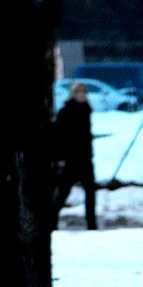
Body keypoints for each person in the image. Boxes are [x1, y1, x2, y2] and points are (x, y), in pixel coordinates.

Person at [51, 81, 97, 231]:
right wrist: (60, 158)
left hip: (85, 158)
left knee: (90, 192)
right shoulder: (66, 111)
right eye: (79, 92)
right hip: (71, 159)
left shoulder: (86, 110)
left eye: (84, 92)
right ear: (74, 94)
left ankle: (91, 224)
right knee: (63, 192)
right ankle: (52, 221)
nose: (82, 95)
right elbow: (59, 136)